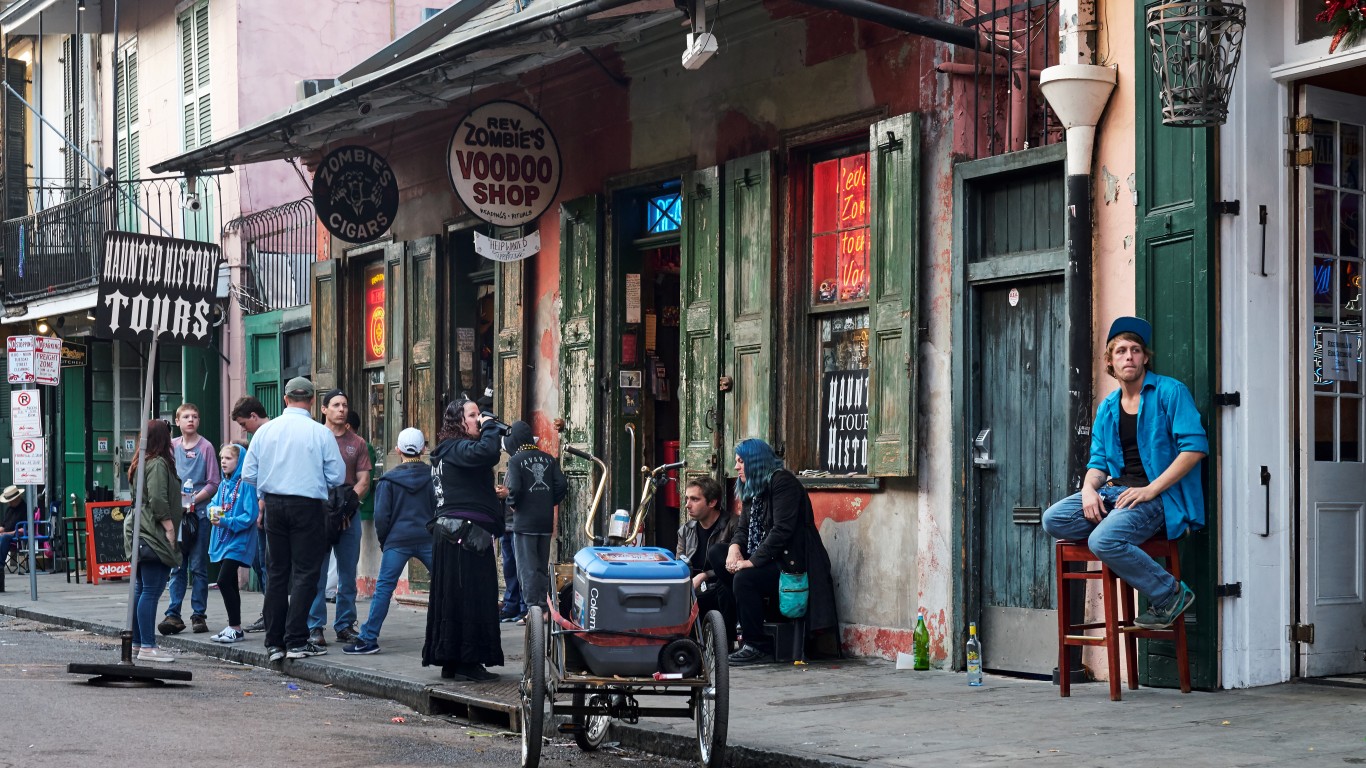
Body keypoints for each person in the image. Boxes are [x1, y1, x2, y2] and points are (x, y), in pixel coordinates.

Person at [1042, 316, 1206, 629]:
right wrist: (1089, 490)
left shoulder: (1171, 393)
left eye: (1134, 350)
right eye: (1120, 351)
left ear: (1145, 357)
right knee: (1054, 519)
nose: (1128, 356)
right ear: (1110, 361)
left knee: (1103, 541)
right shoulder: (1108, 407)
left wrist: (1150, 490)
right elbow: (1098, 461)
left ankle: (1169, 593)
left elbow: (1194, 449)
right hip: (1114, 494)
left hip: (1158, 498)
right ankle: (1118, 541)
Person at [242, 377, 345, 662]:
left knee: (277, 573)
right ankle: (296, 639)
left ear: (285, 399)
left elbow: (248, 474)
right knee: (305, 574)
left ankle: (274, 643)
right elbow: (336, 477)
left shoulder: (266, 431)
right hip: (308, 506)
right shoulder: (320, 433)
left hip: (274, 504)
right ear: (312, 401)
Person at [724, 438, 839, 666]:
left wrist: (751, 562)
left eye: (740, 461)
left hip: (789, 563)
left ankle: (756, 645)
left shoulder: (782, 482)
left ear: (754, 461)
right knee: (718, 556)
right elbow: (743, 529)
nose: (736, 467)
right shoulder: (752, 487)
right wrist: (733, 549)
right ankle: (730, 634)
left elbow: (782, 531)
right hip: (767, 558)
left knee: (744, 578)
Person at [423, 398, 506, 682]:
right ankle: (467, 661)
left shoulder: (449, 451)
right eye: (473, 415)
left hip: (456, 533)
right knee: (471, 596)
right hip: (464, 535)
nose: (479, 420)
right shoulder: (456, 447)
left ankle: (453, 660)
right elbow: (487, 452)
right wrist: (492, 426)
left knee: (457, 597)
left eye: (480, 416)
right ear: (459, 421)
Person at [344, 427, 435, 655]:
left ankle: (368, 638)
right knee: (446, 586)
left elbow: (381, 517)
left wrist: (386, 542)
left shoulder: (388, 480)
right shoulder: (433, 476)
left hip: (398, 539)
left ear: (398, 450)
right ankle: (450, 636)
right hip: (428, 538)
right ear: (424, 449)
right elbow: (439, 508)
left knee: (384, 589)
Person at [307, 389, 372, 647]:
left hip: (349, 515)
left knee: (347, 573)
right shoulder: (313, 439)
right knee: (317, 574)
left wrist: (346, 508)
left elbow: (364, 481)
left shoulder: (357, 443)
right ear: (324, 409)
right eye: (335, 405)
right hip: (319, 514)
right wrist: (326, 510)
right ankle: (315, 626)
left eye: (345, 405)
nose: (341, 409)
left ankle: (345, 624)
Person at [123, 419, 183, 663]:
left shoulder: (141, 461)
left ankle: (138, 643)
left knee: (142, 588)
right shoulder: (157, 463)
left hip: (139, 529)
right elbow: (158, 499)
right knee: (151, 589)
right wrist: (169, 528)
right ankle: (148, 645)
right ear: (163, 438)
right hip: (152, 531)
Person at [160, 403, 220, 636]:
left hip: (199, 515)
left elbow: (213, 482)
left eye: (195, 416)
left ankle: (198, 615)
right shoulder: (172, 447)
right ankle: (173, 613)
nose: (191, 420)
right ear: (177, 421)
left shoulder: (206, 448)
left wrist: (195, 499)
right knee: (177, 566)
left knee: (198, 567)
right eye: (186, 416)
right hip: (177, 515)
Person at [503, 421, 566, 622]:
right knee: (540, 565)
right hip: (545, 522)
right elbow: (561, 484)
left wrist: (512, 503)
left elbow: (515, 488)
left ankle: (534, 609)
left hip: (525, 523)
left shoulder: (515, 460)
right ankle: (544, 609)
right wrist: (550, 501)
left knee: (527, 569)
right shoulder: (549, 459)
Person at [207, 443, 260, 644]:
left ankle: (235, 627)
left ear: (240, 462)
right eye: (222, 458)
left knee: (222, 580)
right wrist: (212, 511)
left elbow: (250, 515)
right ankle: (234, 627)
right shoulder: (223, 484)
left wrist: (227, 521)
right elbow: (214, 503)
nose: (223, 462)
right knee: (229, 584)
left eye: (229, 458)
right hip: (222, 539)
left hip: (238, 541)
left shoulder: (245, 484)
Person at [676, 476, 737, 646]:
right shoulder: (685, 530)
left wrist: (704, 575)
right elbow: (678, 565)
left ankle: (727, 644)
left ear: (712, 502)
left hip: (722, 586)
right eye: (687, 499)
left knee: (724, 589)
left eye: (694, 499)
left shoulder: (732, 524)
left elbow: (735, 566)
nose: (688, 504)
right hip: (695, 589)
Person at [230, 395, 270, 633]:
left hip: (266, 508)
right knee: (260, 563)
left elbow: (262, 474)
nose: (244, 430)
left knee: (267, 564)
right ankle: (269, 611)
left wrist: (261, 504)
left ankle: (272, 613)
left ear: (254, 416)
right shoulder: (260, 436)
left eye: (244, 424)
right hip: (261, 506)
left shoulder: (266, 435)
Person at [0, 486, 26, 571]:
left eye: (10, 501)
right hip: (6, 534)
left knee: (4, 537)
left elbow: (23, 530)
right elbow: (3, 526)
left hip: (16, 536)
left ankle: (0, 565)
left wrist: (7, 533)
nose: (9, 503)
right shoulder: (9, 509)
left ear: (17, 498)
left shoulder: (25, 509)